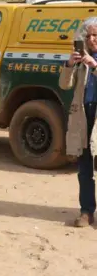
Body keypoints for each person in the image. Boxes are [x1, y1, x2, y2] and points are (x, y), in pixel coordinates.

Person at [59, 17, 97, 228]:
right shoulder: (83, 60)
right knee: (84, 169)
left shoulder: (92, 61)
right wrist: (69, 64)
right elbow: (65, 85)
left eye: (95, 35)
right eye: (88, 35)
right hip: (84, 117)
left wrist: (95, 65)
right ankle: (86, 212)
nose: (91, 39)